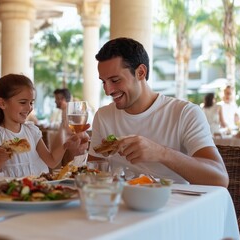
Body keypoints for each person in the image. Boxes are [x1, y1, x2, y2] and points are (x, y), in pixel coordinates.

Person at [88, 37, 228, 187]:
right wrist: (72, 152)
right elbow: (92, 173)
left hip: (175, 205)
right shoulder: (103, 116)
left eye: (115, 80)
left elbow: (219, 179)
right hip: (120, 206)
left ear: (141, 72)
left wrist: (161, 153)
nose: (108, 90)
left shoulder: (185, 113)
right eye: (104, 82)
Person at [0, 75, 89, 177]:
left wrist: (66, 145)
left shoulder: (32, 131)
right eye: (23, 102)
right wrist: (0, 159)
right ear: (2, 103)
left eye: (31, 103)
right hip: (14, 191)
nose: (29, 108)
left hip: (39, 188)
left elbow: (51, 161)